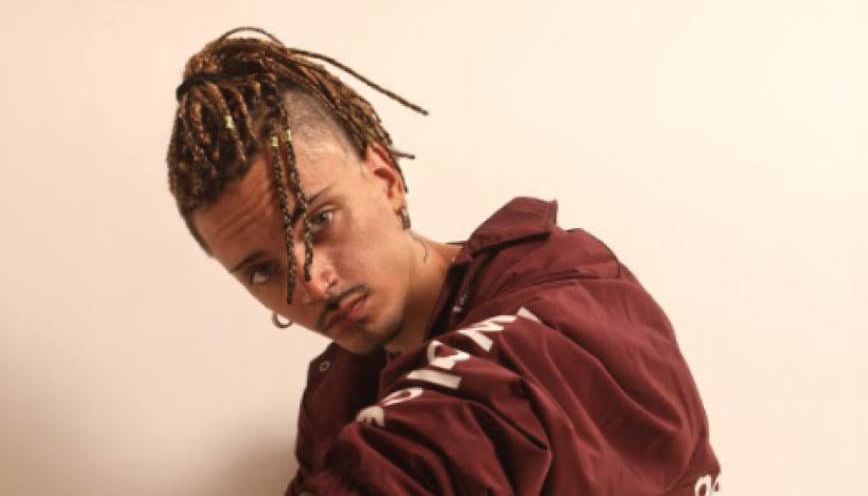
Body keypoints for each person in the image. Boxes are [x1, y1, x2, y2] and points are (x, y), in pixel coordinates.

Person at [166, 27, 721, 496]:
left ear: (385, 180)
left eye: (318, 221)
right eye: (263, 270)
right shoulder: (335, 394)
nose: (311, 282)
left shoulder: (568, 291)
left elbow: (471, 413)